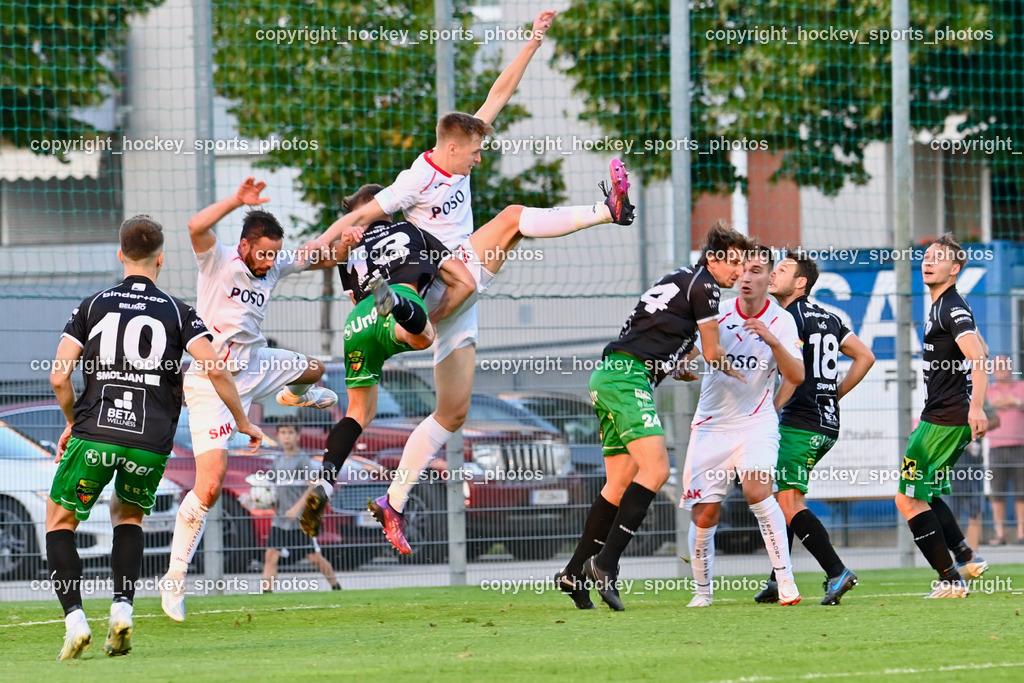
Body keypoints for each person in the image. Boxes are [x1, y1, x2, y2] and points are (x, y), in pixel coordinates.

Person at [305, 11, 638, 555]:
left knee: (453, 412)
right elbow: (363, 217)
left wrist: (532, 42)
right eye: (477, 151)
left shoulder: (460, 153)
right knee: (510, 218)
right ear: (453, 147)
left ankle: (393, 500)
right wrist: (325, 242)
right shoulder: (418, 177)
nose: (482, 158)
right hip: (438, 271)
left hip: (455, 299)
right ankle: (608, 208)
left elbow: (499, 92)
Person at [47, 216, 261, 659]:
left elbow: (57, 377)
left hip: (97, 431)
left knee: (60, 522)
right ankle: (123, 610)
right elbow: (215, 368)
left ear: (120, 255)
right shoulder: (179, 311)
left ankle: (75, 622)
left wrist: (72, 420)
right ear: (161, 258)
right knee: (128, 518)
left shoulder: (91, 306)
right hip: (149, 438)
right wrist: (242, 421)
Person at [160, 178, 348, 622]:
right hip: (212, 383)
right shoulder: (219, 260)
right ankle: (174, 578)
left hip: (256, 364)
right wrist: (237, 201)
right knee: (210, 484)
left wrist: (349, 240)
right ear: (244, 246)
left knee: (317, 370)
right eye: (262, 252)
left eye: (273, 254)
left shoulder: (274, 264)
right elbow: (194, 225)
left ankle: (290, 393)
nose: (269, 261)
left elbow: (320, 256)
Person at [553, 221, 747, 611]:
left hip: (609, 376)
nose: (739, 272)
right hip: (627, 379)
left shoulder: (680, 278)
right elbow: (713, 353)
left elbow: (657, 332)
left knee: (619, 483)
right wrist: (735, 369)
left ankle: (574, 573)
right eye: (735, 263)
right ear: (712, 259)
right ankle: (605, 564)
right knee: (657, 471)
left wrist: (675, 364)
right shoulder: (707, 286)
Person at [298, 185, 475, 537]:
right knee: (422, 336)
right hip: (400, 302)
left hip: (358, 323)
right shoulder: (412, 231)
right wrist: (434, 316)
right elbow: (465, 283)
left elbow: (349, 293)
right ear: (387, 208)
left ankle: (325, 481)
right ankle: (398, 303)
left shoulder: (349, 250)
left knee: (358, 413)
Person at [681, 244, 807, 608]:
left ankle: (786, 581)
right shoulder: (716, 312)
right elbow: (688, 355)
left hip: (756, 423)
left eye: (755, 271)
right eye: (743, 270)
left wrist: (771, 341)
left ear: (770, 278)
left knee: (756, 489)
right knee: (705, 511)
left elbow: (796, 375)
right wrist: (682, 367)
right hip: (712, 424)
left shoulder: (782, 321)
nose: (746, 277)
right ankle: (702, 592)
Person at [752, 250, 875, 606]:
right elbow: (865, 356)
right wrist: (834, 394)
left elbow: (786, 372)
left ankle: (836, 571)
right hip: (826, 423)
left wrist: (767, 410)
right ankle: (779, 578)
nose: (774, 274)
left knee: (788, 500)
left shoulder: (786, 318)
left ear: (800, 282)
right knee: (782, 496)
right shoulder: (830, 317)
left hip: (799, 421)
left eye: (783, 270)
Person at [894, 233, 989, 598]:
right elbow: (982, 348)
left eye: (938, 257)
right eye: (926, 256)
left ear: (955, 268)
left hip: (945, 418)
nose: (928, 261)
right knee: (926, 492)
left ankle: (951, 580)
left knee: (906, 498)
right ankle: (965, 557)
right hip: (944, 415)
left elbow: (979, 359)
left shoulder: (950, 306)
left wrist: (976, 406)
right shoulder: (947, 305)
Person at [261, 417, 340, 592]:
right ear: (278, 435)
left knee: (313, 557)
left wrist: (296, 508)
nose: (286, 436)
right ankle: (266, 593)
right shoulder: (278, 460)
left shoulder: (302, 459)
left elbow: (313, 486)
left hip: (299, 519)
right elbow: (270, 488)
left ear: (298, 435)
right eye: (283, 432)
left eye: (290, 432)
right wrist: (259, 499)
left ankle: (336, 586)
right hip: (280, 519)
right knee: (271, 555)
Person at [986, 355, 1024, 545]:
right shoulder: (987, 390)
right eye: (997, 365)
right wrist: (1010, 402)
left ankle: (1021, 533)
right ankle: (1000, 534)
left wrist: (1016, 402)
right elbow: (984, 410)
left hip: (1020, 446)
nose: (1001, 368)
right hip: (996, 448)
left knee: (1022, 493)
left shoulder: (1021, 386)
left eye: (1004, 365)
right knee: (997, 493)